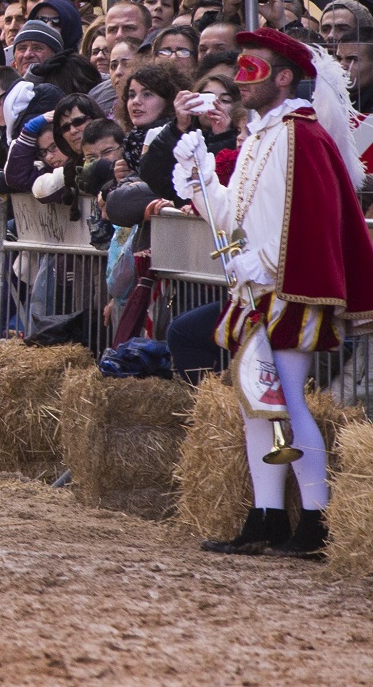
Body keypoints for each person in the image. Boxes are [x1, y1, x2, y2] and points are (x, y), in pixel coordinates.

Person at [175, 29, 373, 559]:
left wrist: (260, 261)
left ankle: (314, 518)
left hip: (286, 289)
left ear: (283, 77)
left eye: (252, 68)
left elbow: (309, 221)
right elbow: (228, 219)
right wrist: (197, 171)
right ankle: (266, 515)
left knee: (284, 403)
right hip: (254, 291)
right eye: (238, 67)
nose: (241, 78)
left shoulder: (301, 136)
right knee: (260, 408)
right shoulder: (259, 136)